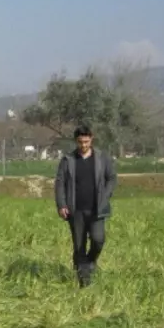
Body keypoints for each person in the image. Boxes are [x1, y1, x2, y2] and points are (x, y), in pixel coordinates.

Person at [54, 123, 118, 287]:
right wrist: (61, 205)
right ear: (76, 141)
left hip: (97, 209)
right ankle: (84, 281)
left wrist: (106, 195)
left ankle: (90, 263)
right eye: (80, 142)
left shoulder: (102, 158)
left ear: (91, 140)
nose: (83, 145)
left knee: (98, 240)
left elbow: (111, 178)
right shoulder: (68, 160)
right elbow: (60, 183)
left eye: (86, 142)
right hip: (76, 210)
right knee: (79, 245)